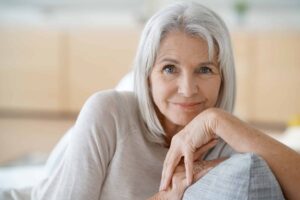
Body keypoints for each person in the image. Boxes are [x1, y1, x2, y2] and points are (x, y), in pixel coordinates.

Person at [1, 2, 299, 200]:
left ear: (224, 77)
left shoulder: (225, 137)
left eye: (205, 69)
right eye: (170, 68)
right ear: (147, 74)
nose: (187, 89)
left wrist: (217, 120)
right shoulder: (109, 114)